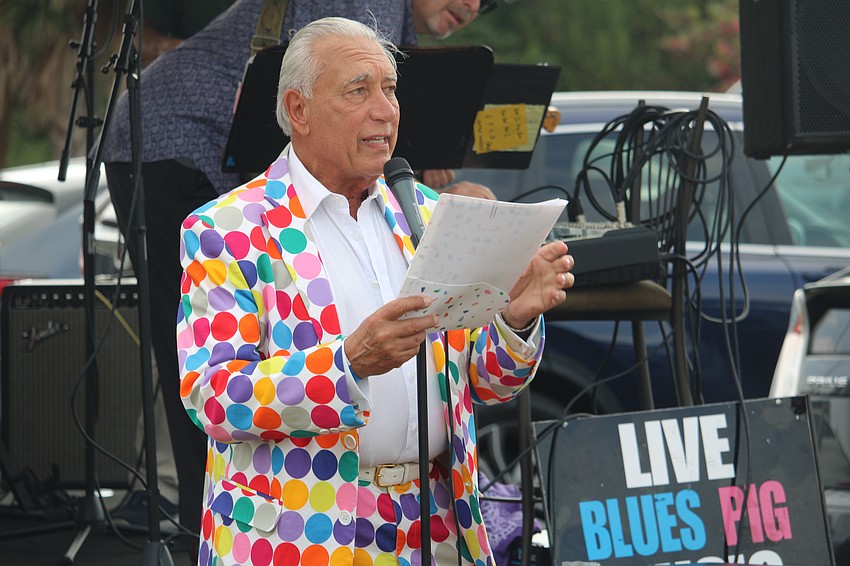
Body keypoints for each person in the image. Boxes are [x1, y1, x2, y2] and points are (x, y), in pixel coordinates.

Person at [176, 16, 574, 565]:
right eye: (358, 90)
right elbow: (215, 395)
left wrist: (517, 321)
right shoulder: (229, 229)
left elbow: (483, 384)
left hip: (431, 525)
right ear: (298, 111)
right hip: (299, 535)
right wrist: (348, 364)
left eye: (389, 89)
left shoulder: (429, 218)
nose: (386, 110)